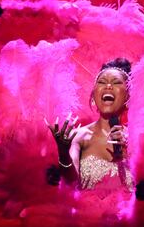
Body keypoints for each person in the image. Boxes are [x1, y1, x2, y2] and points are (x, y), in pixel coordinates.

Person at [45, 57, 134, 192]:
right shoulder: (79, 136)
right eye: (102, 82)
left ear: (128, 96)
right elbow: (70, 183)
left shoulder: (139, 139)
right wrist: (63, 153)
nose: (108, 86)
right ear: (93, 96)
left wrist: (130, 150)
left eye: (116, 83)